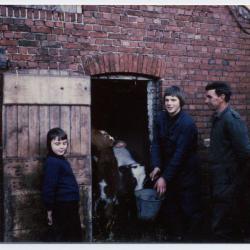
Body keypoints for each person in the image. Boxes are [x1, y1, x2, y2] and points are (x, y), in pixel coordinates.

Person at [150, 86, 202, 241]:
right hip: (169, 171)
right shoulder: (160, 118)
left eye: (173, 100)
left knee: (187, 209)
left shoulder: (187, 124)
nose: (169, 103)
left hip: (187, 174)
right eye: (167, 100)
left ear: (180, 102)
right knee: (170, 208)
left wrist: (164, 178)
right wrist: (157, 165)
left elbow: (180, 154)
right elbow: (156, 144)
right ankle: (175, 239)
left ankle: (190, 240)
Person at [205, 81, 250, 242]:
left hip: (228, 183)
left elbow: (245, 153)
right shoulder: (217, 118)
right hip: (218, 181)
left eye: (209, 97)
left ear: (222, 97)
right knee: (221, 225)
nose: (206, 101)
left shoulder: (232, 120)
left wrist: (234, 182)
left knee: (222, 228)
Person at [42, 127, 82, 242]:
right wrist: (49, 209)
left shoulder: (61, 160)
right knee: (63, 236)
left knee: (73, 234)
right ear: (49, 145)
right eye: (57, 143)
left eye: (64, 143)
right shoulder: (52, 162)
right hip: (62, 205)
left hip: (70, 203)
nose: (62, 146)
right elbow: (48, 187)